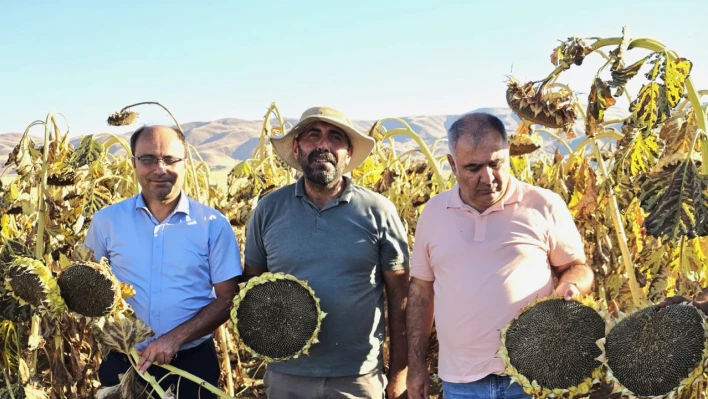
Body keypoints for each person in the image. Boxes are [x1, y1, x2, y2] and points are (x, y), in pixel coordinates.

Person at [406, 113, 595, 399]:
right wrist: (416, 365)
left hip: (533, 378)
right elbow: (420, 291)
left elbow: (577, 268)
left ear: (508, 154)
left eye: (496, 163)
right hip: (461, 381)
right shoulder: (433, 213)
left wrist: (571, 286)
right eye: (473, 168)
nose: (488, 177)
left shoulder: (543, 204)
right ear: (452, 165)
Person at [244, 106, 410, 399]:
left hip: (357, 375)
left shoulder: (378, 211)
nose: (323, 145)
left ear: (347, 153)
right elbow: (251, 288)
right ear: (297, 149)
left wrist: (399, 376)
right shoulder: (268, 210)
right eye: (313, 136)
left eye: (335, 138)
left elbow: (401, 297)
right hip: (286, 375)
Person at [84, 125, 242, 398]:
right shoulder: (107, 222)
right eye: (148, 159)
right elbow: (87, 286)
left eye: (170, 159)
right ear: (133, 162)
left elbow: (228, 298)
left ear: (184, 163)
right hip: (123, 364)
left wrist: (175, 338)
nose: (160, 169)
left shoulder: (213, 225)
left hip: (192, 365)